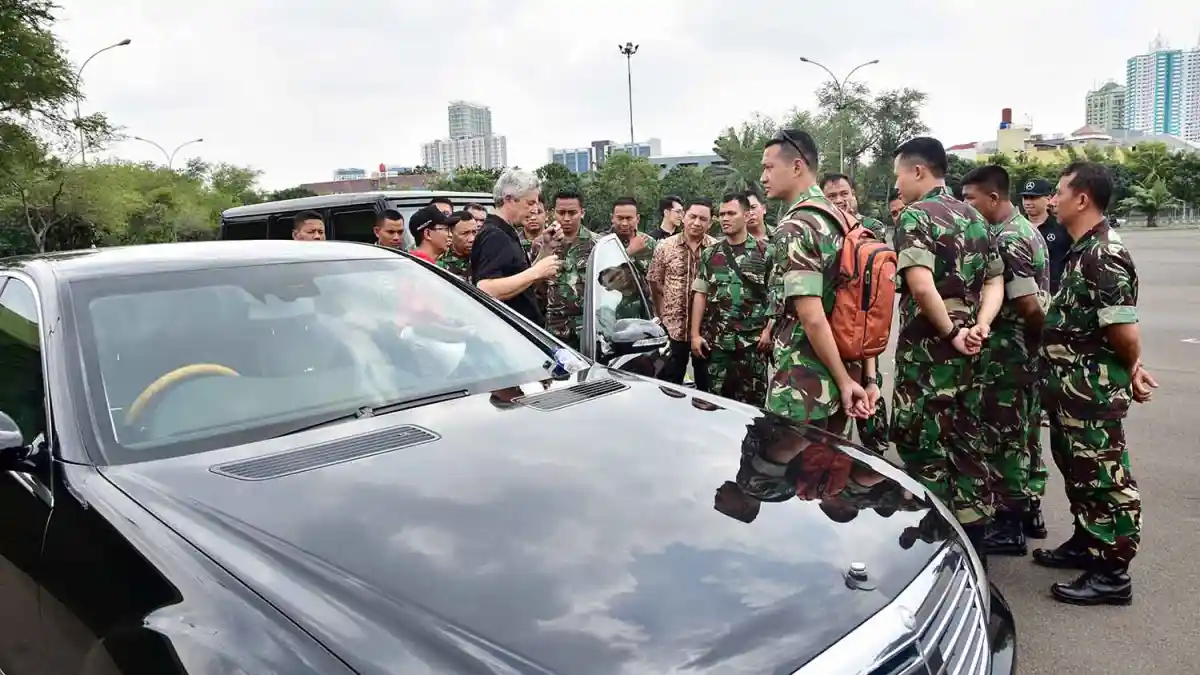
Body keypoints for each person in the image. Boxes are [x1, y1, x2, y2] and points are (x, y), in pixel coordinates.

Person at [1034, 161, 1157, 606]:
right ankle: (1088, 542)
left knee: (1105, 478)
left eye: (1059, 192)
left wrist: (1132, 367)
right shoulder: (1083, 249)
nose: (1052, 200)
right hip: (1072, 393)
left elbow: (1123, 331)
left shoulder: (1104, 254)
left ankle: (1112, 571)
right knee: (1079, 473)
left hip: (1091, 394)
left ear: (1082, 199)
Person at [890, 136, 1004, 558]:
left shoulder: (916, 218)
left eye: (899, 174)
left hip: (929, 358)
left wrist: (951, 332)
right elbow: (995, 279)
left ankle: (933, 544)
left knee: (924, 444)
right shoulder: (975, 217)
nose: (897, 185)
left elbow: (920, 285)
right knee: (967, 441)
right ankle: (975, 542)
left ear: (918, 171)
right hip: (972, 354)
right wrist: (980, 326)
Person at [961, 165, 1051, 555]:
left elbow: (1030, 306)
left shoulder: (1010, 238)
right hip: (1017, 355)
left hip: (1008, 356)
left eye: (971, 200)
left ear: (993, 198)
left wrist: (1029, 351)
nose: (967, 207)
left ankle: (1009, 523)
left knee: (1004, 439)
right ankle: (1028, 509)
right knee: (1023, 435)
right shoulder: (1021, 230)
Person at [759, 129, 869, 435]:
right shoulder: (842, 217)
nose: (763, 177)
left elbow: (811, 317)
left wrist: (844, 382)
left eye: (769, 167)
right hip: (842, 368)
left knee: (792, 471)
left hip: (803, 380)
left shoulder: (796, 226)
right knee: (828, 471)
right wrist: (853, 378)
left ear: (796, 167)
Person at [820, 173, 891, 454]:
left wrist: (870, 376)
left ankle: (875, 460)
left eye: (844, 193)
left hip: (864, 331)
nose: (840, 200)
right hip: (833, 333)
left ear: (854, 194)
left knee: (870, 415)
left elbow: (873, 299)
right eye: (832, 196)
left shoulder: (870, 230)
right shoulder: (822, 233)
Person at [689, 193, 772, 406]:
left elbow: (777, 296)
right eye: (722, 214)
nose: (725, 218)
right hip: (717, 344)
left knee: (753, 409)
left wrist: (769, 330)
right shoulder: (710, 254)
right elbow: (700, 294)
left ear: (746, 215)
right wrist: (695, 334)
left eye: (731, 213)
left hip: (752, 345)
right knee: (715, 405)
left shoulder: (765, 253)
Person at [470, 169, 560, 325]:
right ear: (509, 199)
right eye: (530, 203)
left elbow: (521, 279)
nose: (534, 209)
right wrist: (537, 271)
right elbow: (485, 288)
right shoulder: (494, 235)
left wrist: (546, 248)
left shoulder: (506, 232)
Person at [647, 199, 717, 388]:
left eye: (703, 219)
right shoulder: (665, 247)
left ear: (710, 223)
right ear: (684, 216)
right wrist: (661, 313)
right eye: (692, 216)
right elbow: (654, 281)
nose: (696, 222)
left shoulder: (717, 249)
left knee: (706, 386)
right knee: (670, 385)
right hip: (673, 329)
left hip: (706, 330)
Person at [533, 190, 597, 350]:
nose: (566, 218)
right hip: (554, 329)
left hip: (589, 329)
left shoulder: (597, 244)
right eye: (561, 213)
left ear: (582, 213)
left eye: (572, 213)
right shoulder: (541, 244)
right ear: (553, 213)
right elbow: (533, 284)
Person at [1022, 178, 1070, 294]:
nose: (1028, 202)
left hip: (1055, 294)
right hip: (1026, 295)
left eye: (1033, 198)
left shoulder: (1061, 227)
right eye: (1025, 198)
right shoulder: (1017, 228)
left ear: (1048, 199)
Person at [611, 197, 657, 275]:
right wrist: (629, 251)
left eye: (629, 218)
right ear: (612, 218)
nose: (624, 223)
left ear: (638, 219)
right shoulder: (603, 242)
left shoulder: (649, 243)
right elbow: (600, 269)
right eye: (620, 218)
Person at [436, 211, 479, 282]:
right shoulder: (439, 262)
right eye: (465, 233)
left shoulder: (483, 257)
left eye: (474, 232)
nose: (472, 239)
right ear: (451, 234)